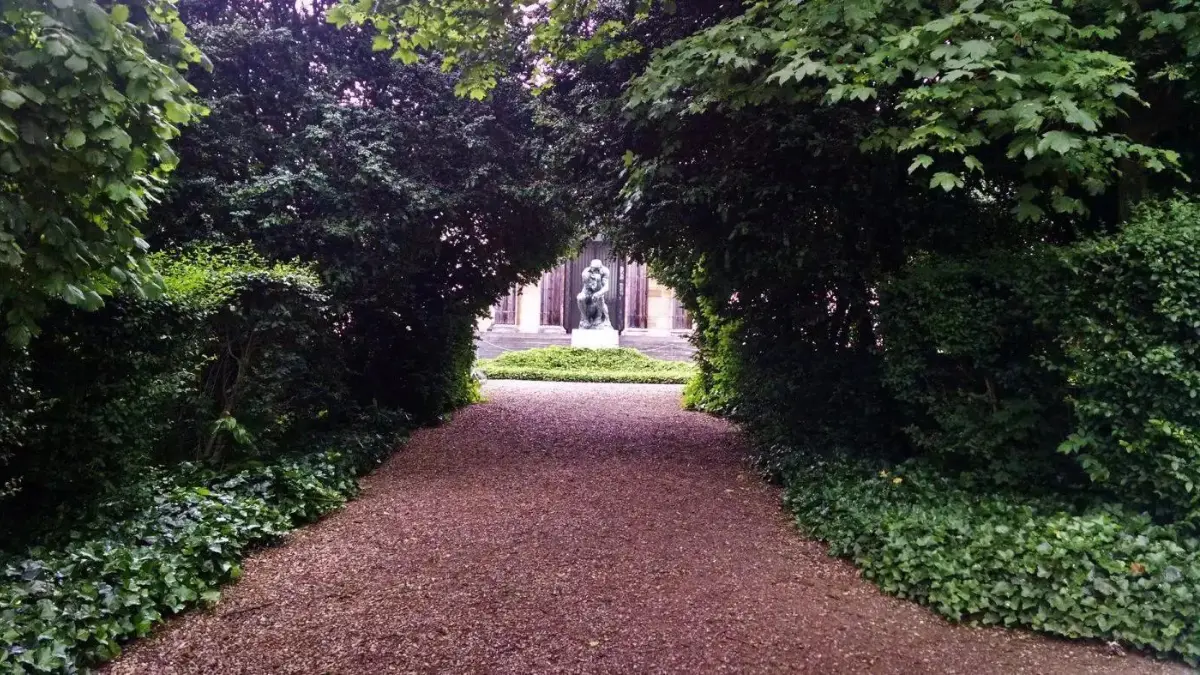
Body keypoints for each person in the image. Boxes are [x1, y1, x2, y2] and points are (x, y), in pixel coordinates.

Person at [577, 258, 611, 329]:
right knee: (580, 298)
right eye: (593, 269)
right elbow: (586, 286)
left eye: (597, 269)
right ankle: (585, 319)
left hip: (599, 291)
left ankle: (599, 317)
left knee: (599, 297)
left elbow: (606, 287)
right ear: (591, 267)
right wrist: (588, 294)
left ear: (600, 267)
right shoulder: (586, 272)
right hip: (587, 290)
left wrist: (598, 293)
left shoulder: (605, 271)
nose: (595, 270)